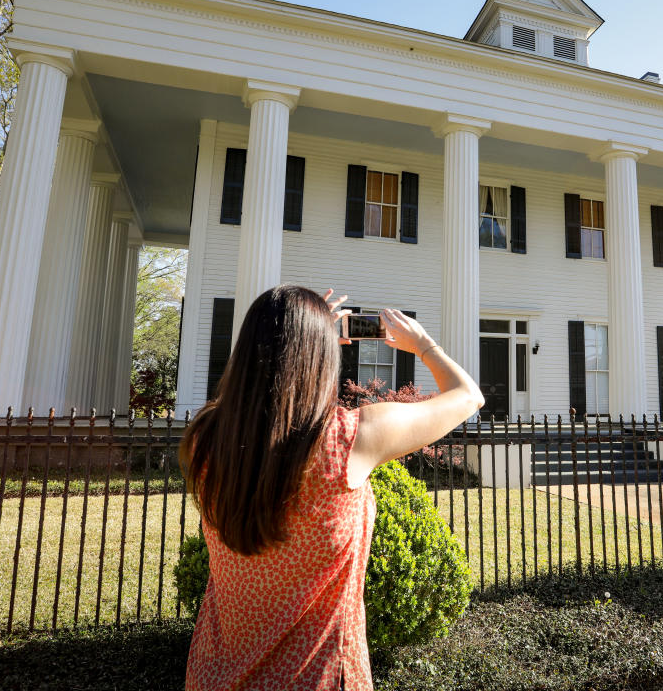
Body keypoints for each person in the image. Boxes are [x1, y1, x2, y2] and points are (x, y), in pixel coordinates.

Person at [181, 285, 484, 691]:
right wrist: (423, 344)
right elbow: (468, 396)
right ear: (322, 361)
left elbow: (255, 398)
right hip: (317, 679)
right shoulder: (349, 439)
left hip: (212, 677)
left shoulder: (205, 439)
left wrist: (300, 333)